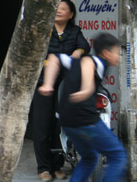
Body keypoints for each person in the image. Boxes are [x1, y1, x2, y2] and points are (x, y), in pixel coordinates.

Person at [39, 33, 127, 182]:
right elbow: (88, 63)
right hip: (86, 122)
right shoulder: (98, 62)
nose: (119, 57)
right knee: (118, 156)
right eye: (117, 53)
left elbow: (54, 58)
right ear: (106, 53)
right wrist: (86, 89)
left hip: (68, 123)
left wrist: (48, 83)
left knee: (89, 158)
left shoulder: (74, 62)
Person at [34, 0, 90, 181]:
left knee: (59, 126)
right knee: (42, 125)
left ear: (71, 14)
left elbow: (85, 46)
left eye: (63, 8)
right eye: (56, 8)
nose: (59, 11)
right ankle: (43, 168)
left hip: (65, 84)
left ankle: (56, 166)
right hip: (44, 83)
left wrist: (78, 52)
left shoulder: (75, 31)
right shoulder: (44, 30)